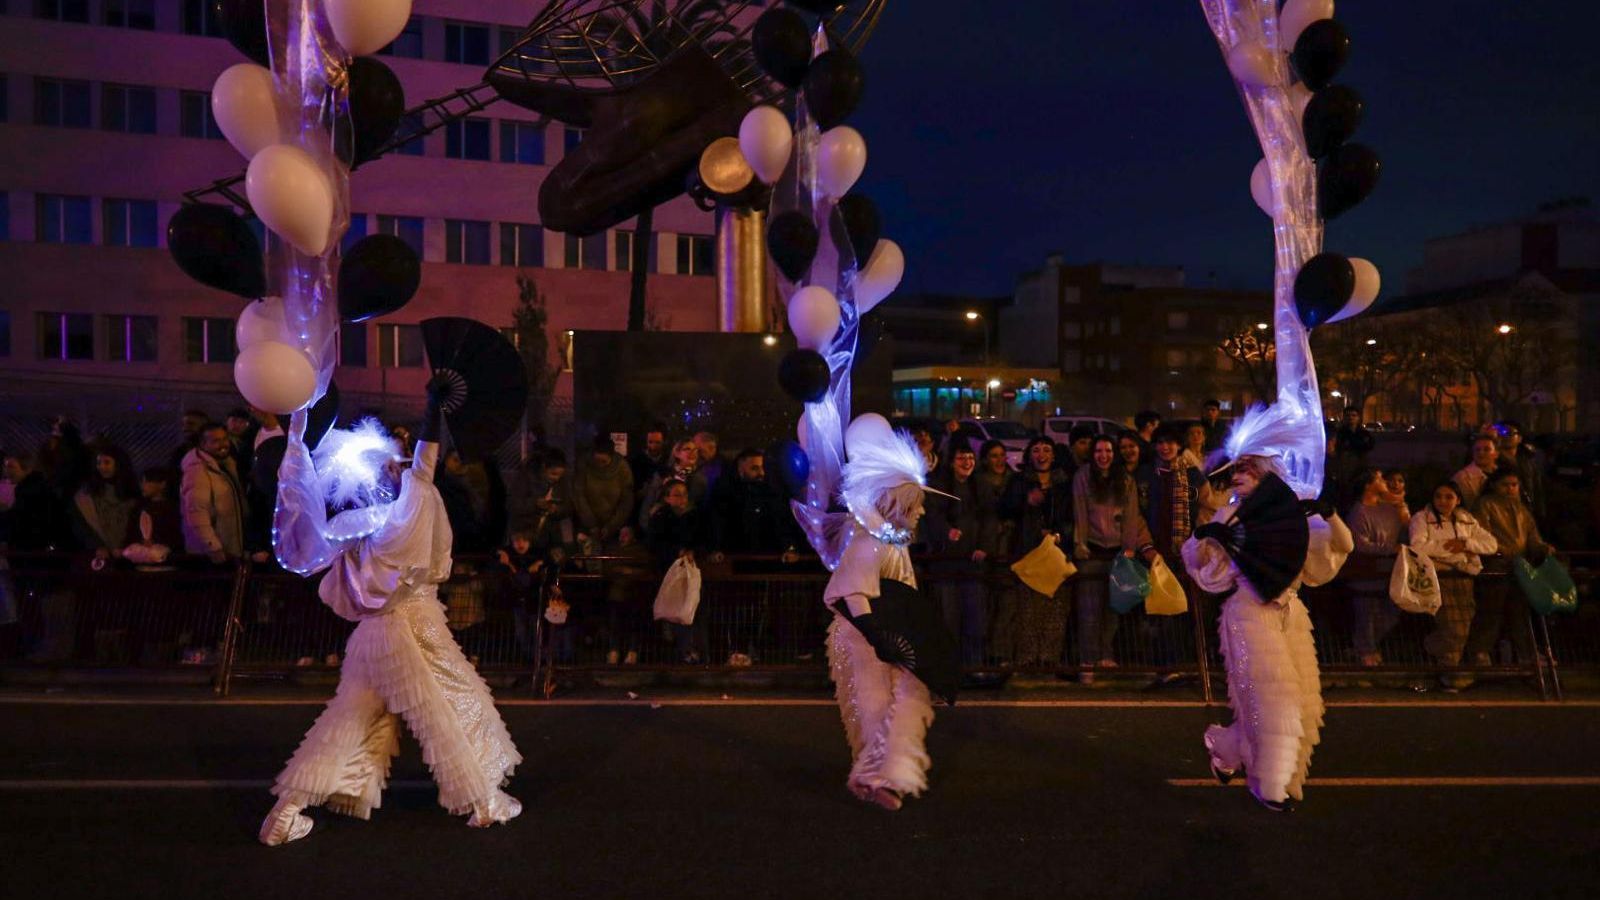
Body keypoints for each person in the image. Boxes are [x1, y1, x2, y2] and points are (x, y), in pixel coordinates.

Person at [260, 384, 522, 846]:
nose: (399, 465)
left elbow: (306, 536)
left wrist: (297, 434)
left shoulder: (352, 525)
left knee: (348, 718)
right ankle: (483, 800)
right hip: (412, 629)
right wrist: (432, 408)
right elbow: (425, 463)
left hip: (370, 638)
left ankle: (287, 811)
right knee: (449, 708)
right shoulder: (406, 510)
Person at [1185, 438, 1353, 812]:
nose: (1239, 473)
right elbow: (1198, 561)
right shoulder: (1230, 512)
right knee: (1272, 702)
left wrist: (1329, 514)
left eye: (1249, 467)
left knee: (1304, 703)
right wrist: (1206, 539)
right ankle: (1269, 785)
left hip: (1290, 614)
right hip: (1248, 612)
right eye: (1237, 467)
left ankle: (1227, 749)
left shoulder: (1292, 513)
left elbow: (1344, 545)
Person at [823, 427, 942, 811]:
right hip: (863, 637)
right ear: (898, 505)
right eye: (916, 505)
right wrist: (875, 635)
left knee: (900, 704)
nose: (921, 512)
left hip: (886, 633)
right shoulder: (869, 539)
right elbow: (854, 589)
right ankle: (876, 779)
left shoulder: (892, 539)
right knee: (875, 707)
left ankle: (880, 776)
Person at [1071, 435, 1151, 680]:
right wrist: (1080, 543)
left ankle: (1106, 654)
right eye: (1098, 451)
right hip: (1092, 550)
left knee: (1112, 610)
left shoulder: (1125, 479)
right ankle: (1088, 661)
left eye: (1107, 451)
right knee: (1088, 610)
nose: (1103, 456)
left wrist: (1129, 548)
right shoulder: (1083, 476)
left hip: (1117, 551)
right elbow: (1080, 511)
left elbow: (1130, 516)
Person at [1409, 482, 1497, 689]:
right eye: (1438, 496)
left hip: (1465, 578)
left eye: (1449, 497)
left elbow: (1491, 544)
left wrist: (1466, 544)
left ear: (1457, 499)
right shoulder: (1422, 518)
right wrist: (1455, 551)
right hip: (1441, 578)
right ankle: (1448, 670)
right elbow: (1418, 546)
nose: (1443, 501)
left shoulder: (1466, 519)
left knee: (1463, 625)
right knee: (1453, 627)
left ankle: (1446, 667)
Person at [998, 437, 1073, 667]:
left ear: (1054, 454)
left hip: (1055, 551)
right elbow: (1004, 509)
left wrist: (1059, 534)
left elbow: (1072, 515)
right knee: (1027, 609)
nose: (1042, 455)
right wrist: (1026, 502)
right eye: (1037, 450)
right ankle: (1027, 660)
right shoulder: (1019, 480)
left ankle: (1050, 659)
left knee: (1055, 607)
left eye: (1047, 450)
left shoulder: (1064, 482)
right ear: (1030, 454)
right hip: (1027, 551)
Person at [1464, 469, 1551, 668]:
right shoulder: (1485, 505)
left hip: (1519, 569)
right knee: (1490, 612)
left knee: (1520, 613)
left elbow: (1532, 537)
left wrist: (1542, 548)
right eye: (1505, 484)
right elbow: (1483, 535)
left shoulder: (1522, 509)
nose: (1510, 489)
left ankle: (1526, 654)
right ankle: (1480, 652)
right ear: (1494, 485)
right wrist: (1505, 552)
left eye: (1514, 485)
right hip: (1496, 569)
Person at [924, 444, 985, 667]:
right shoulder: (940, 487)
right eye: (961, 458)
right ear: (952, 462)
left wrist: (984, 546)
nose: (967, 462)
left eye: (970, 458)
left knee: (974, 616)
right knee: (948, 616)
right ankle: (950, 663)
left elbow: (989, 518)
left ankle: (974, 664)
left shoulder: (980, 485)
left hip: (972, 560)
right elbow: (933, 516)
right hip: (946, 560)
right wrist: (946, 531)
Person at [1345, 468, 1409, 667]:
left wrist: (1401, 509)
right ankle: (1366, 653)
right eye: (1379, 479)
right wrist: (1390, 548)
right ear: (1368, 485)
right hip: (1368, 572)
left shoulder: (1390, 509)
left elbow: (1406, 531)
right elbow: (1360, 544)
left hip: (1391, 572)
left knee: (1391, 613)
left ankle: (1363, 648)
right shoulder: (1359, 512)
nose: (1384, 481)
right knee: (1367, 614)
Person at [645, 478, 706, 663]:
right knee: (672, 611)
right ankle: (673, 654)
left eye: (684, 494)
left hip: (691, 571)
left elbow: (705, 539)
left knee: (691, 610)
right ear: (667, 497)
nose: (682, 499)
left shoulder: (696, 516)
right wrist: (676, 551)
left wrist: (694, 552)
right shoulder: (661, 517)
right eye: (677, 495)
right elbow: (653, 543)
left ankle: (692, 651)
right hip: (667, 572)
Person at [180, 422, 247, 564]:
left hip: (227, 548)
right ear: (203, 444)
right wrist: (212, 545)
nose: (223, 444)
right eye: (216, 441)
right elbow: (196, 511)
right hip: (211, 554)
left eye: (224, 439)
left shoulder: (225, 465)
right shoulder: (198, 471)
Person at [71, 444, 138, 561]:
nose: (101, 467)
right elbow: (82, 526)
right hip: (98, 556)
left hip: (128, 555)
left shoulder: (132, 493)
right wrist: (96, 546)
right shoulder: (87, 495)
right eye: (98, 463)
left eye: (107, 463)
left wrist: (126, 546)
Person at [573, 434, 635, 553]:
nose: (600, 465)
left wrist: (612, 526)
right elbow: (579, 495)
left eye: (604, 462)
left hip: (615, 525)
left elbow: (626, 500)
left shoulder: (622, 468)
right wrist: (591, 523)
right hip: (587, 525)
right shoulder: (584, 465)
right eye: (597, 461)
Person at [638, 438, 708, 529]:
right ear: (677, 453)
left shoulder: (698, 478)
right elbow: (649, 499)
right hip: (657, 525)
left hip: (682, 527)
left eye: (695, 450)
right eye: (687, 449)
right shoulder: (663, 473)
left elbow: (693, 506)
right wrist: (645, 524)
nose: (693, 453)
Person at [121, 467, 183, 566]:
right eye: (141, 482)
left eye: (147, 482)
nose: (142, 486)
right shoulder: (139, 508)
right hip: (140, 560)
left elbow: (176, 535)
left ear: (162, 484)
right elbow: (131, 532)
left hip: (166, 560)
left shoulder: (172, 509)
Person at [1496, 420, 1545, 521]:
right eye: (1501, 433)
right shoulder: (1493, 459)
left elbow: (1536, 487)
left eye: (1510, 433)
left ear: (1519, 438)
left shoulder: (1528, 460)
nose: (1505, 436)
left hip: (1526, 510)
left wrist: (1540, 513)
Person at [1453, 435, 1501, 510]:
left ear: (1496, 454)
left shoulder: (1503, 474)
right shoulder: (1462, 478)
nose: (1481, 453)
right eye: (1477, 450)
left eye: (1486, 449)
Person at [627, 423, 670, 500]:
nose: (653, 446)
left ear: (664, 442)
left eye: (657, 442)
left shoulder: (668, 460)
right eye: (650, 442)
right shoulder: (637, 461)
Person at [168, 409, 210, 473]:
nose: (185, 428)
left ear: (204, 427)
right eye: (183, 425)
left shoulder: (213, 449)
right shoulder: (180, 452)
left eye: (191, 424)